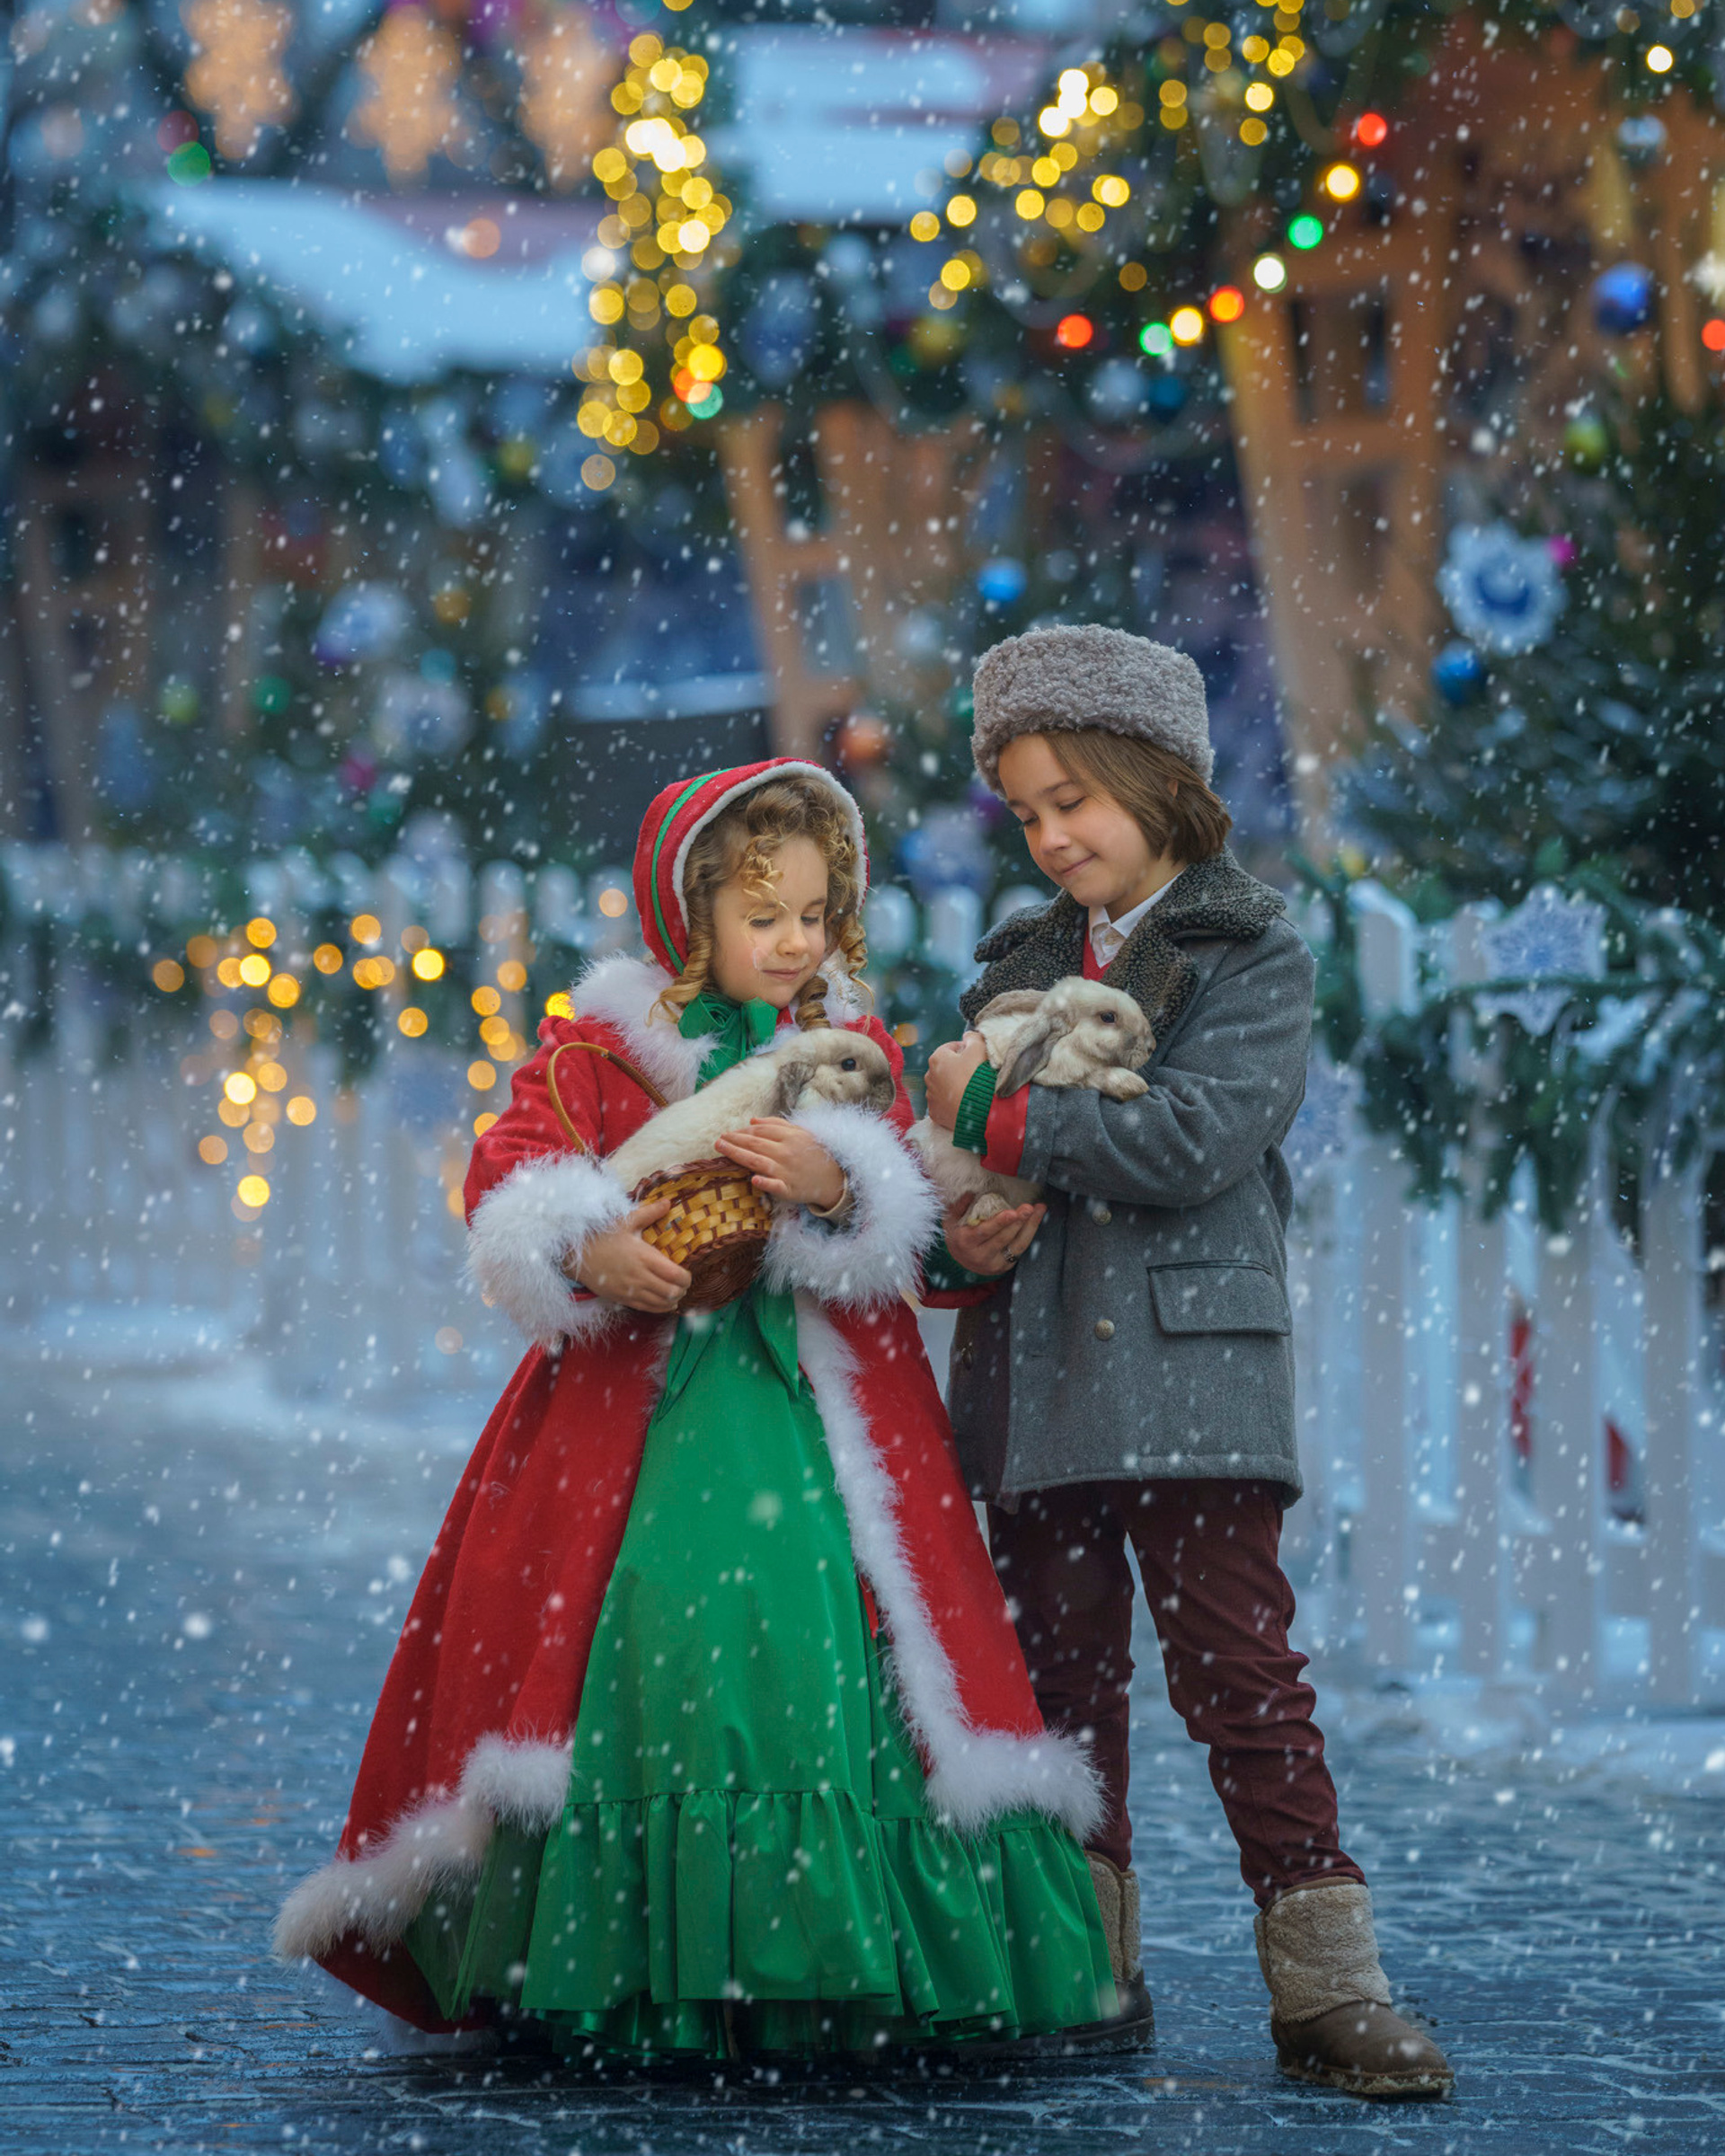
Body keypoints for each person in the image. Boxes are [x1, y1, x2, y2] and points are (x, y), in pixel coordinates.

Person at [274, 756, 1113, 2062]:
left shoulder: (845, 1047)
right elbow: (514, 1176)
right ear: (691, 918)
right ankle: (648, 1943)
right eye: (763, 916)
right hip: (650, 1406)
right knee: (676, 1630)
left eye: (816, 916)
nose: (795, 945)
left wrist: (841, 1187)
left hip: (821, 1396)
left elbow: (909, 1203)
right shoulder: (604, 1054)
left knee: (826, 1639)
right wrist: (583, 1244)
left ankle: (826, 1943)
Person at [920, 627, 1455, 2100]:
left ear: (1158, 782)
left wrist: (998, 1123)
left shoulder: (1247, 949)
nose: (1051, 836)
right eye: (1026, 812)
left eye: (1074, 800)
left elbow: (1194, 1140)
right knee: (1057, 1687)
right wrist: (955, 1233)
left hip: (1190, 1377)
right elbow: (946, 1196)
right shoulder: (1011, 967)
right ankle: (1078, 1966)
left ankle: (1329, 1986)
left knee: (1243, 1679)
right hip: (1034, 1390)